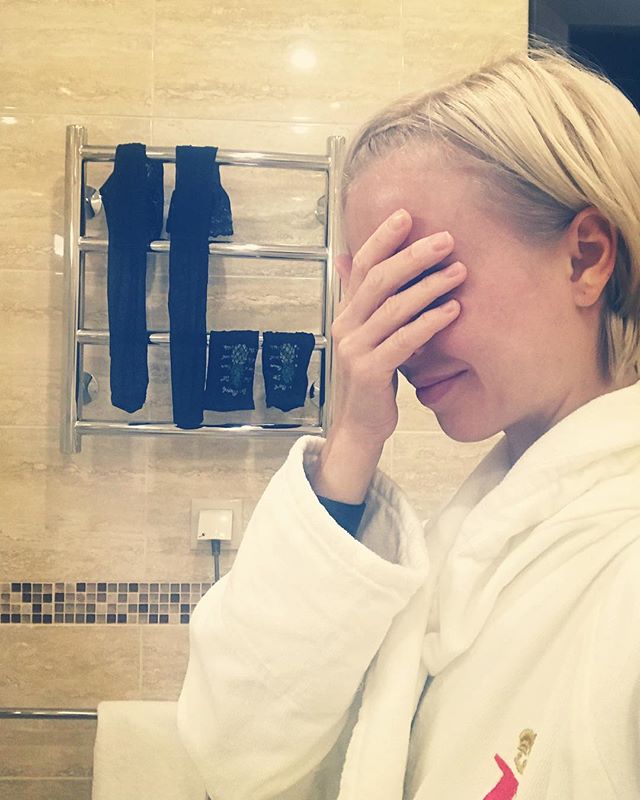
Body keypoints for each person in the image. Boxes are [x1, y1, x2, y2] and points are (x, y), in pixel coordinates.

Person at [176, 38, 640, 800]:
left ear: (585, 257)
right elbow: (234, 753)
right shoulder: (478, 536)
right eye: (378, 293)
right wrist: (350, 439)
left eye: (422, 281)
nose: (393, 341)